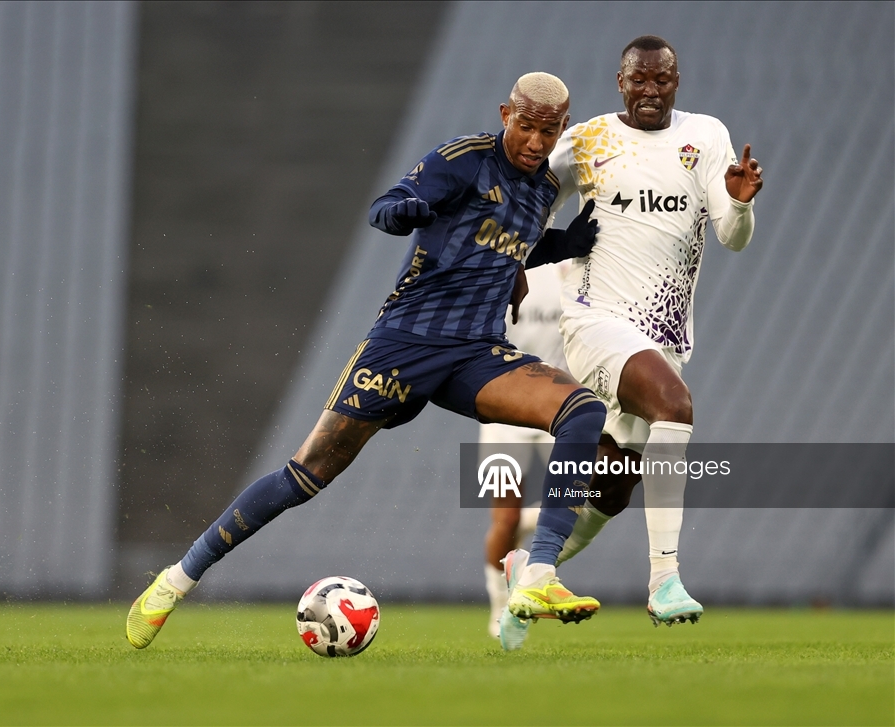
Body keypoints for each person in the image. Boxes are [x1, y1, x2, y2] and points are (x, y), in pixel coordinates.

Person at [125, 72, 611, 649]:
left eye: (548, 131)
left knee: (582, 411)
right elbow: (386, 207)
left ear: (561, 128)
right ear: (507, 114)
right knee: (305, 476)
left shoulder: (543, 187)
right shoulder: (462, 160)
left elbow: (510, 243)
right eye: (526, 126)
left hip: (477, 353)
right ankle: (176, 581)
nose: (535, 141)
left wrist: (565, 245)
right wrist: (405, 211)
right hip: (405, 344)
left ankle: (538, 573)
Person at [501, 36, 764, 649]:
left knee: (613, 489)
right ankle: (665, 579)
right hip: (595, 321)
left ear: (676, 82)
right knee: (675, 406)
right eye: (638, 80)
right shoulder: (588, 140)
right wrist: (513, 264)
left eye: (661, 80)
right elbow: (531, 205)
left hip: (663, 335)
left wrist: (740, 204)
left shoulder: (706, 137)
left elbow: (732, 236)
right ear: (620, 82)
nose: (650, 91)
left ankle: (530, 568)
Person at [480, 261, 570, 639]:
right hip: (503, 411)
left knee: (586, 500)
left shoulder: (570, 268)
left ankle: (527, 554)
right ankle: (501, 606)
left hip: (558, 408)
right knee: (505, 520)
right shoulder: (496, 268)